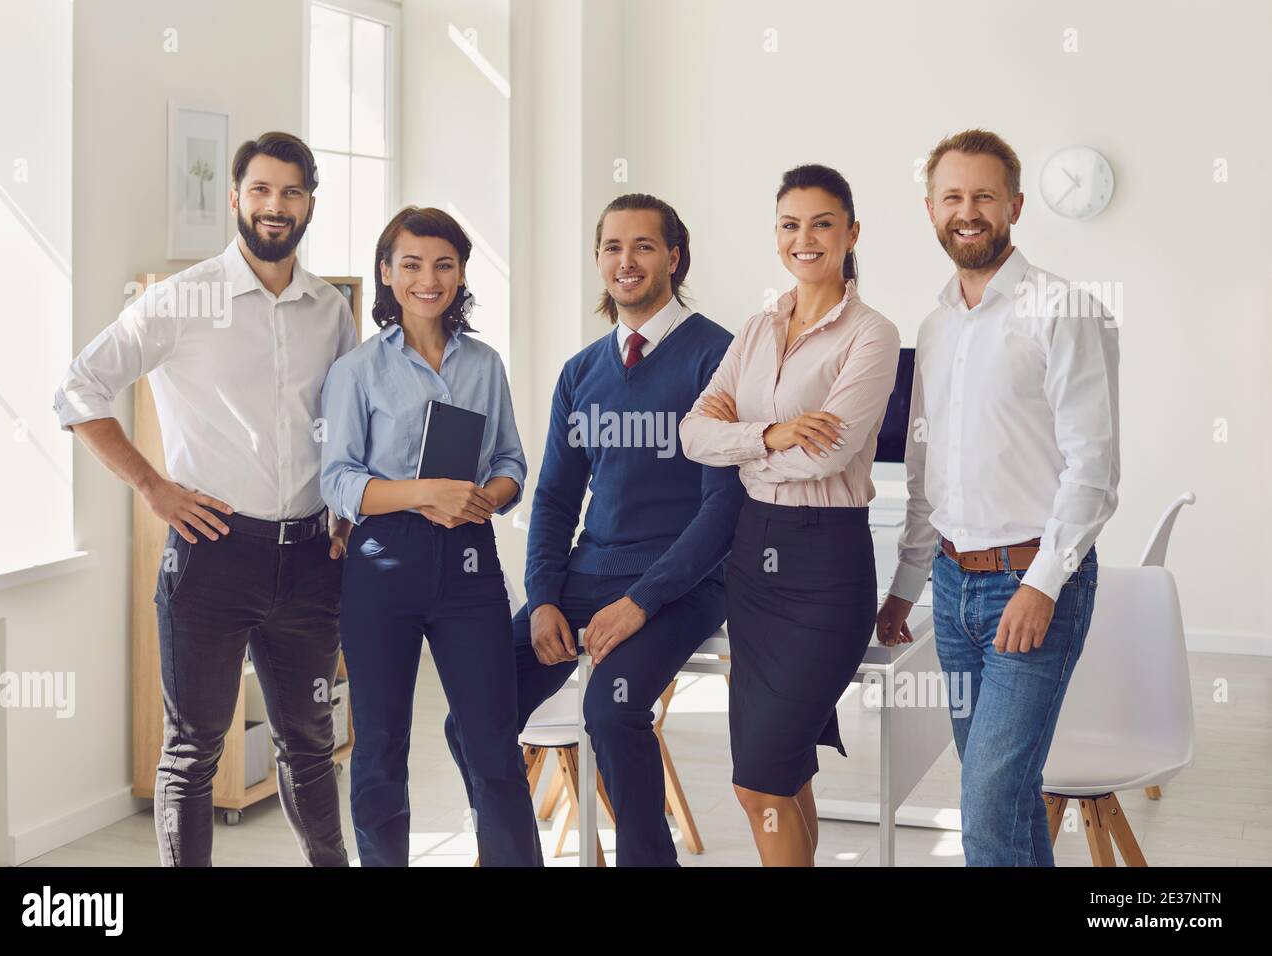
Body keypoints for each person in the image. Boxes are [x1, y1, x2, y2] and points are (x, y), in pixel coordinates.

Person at [52, 131, 354, 866]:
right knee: (192, 752)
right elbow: (76, 391)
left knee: (311, 746)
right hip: (213, 560)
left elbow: (349, 422)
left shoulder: (330, 310)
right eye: (260, 190)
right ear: (235, 198)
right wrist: (153, 487)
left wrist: (345, 503)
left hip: (314, 560)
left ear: (310, 202)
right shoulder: (182, 300)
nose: (274, 207)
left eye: (289, 192)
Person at [445, 193, 744, 867]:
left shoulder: (717, 357)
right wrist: (545, 594)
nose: (626, 261)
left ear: (673, 257)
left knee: (611, 712)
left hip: (685, 583)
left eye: (643, 246)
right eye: (612, 247)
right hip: (586, 577)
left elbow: (723, 511)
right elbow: (553, 497)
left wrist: (641, 602)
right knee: (469, 716)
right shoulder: (582, 373)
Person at [877, 129, 1120, 866]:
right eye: (953, 197)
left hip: (1032, 586)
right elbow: (927, 473)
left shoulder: (1062, 310)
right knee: (1002, 796)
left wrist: (1043, 583)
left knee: (986, 800)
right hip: (952, 588)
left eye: (984, 195)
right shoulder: (934, 326)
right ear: (930, 210)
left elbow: (1095, 468)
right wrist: (905, 586)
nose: (968, 211)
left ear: (1014, 205)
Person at [681, 164, 901, 866]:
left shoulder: (872, 333)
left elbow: (826, 458)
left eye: (821, 223)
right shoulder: (755, 327)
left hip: (826, 565)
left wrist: (741, 441)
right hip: (754, 559)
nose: (803, 238)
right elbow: (692, 435)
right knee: (785, 773)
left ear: (851, 233)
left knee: (759, 782)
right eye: (789, 224)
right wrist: (774, 434)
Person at [320, 205, 541, 866]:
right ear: (387, 274)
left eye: (443, 264)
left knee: (493, 742)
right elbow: (337, 481)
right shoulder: (357, 370)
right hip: (383, 564)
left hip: (469, 565)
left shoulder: (484, 363)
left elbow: (511, 463)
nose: (428, 278)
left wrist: (483, 498)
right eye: (411, 263)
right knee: (382, 745)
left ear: (461, 272)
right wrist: (424, 494)